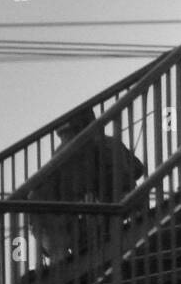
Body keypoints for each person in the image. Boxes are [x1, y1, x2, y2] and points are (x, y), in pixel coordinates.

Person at [26, 110, 147, 264]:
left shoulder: (70, 152)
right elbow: (137, 169)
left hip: (70, 213)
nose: (66, 140)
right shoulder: (85, 148)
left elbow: (135, 170)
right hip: (59, 215)